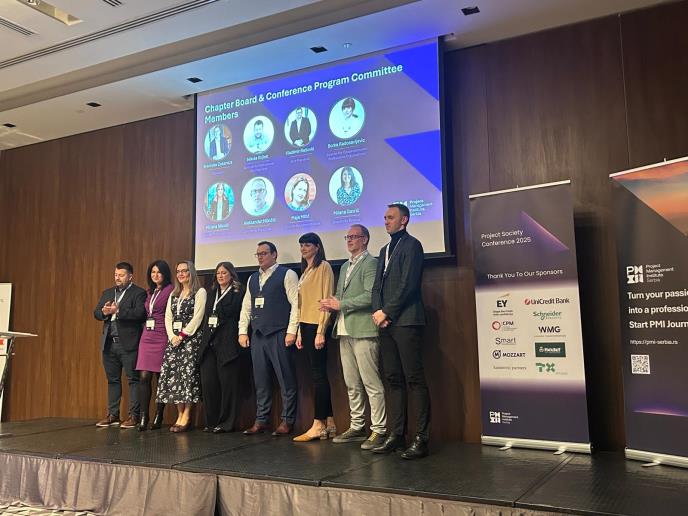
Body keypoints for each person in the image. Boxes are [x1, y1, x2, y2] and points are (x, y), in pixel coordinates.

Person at [371, 203, 430, 459]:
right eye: (385, 217)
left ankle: (421, 439)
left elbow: (408, 285)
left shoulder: (412, 245)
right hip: (386, 324)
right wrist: (378, 312)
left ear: (404, 220)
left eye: (391, 217)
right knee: (393, 379)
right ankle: (396, 435)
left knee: (414, 379)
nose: (386, 221)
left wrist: (387, 311)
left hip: (406, 321)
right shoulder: (384, 250)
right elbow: (376, 287)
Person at [320, 224, 387, 449]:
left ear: (365, 239)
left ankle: (379, 429)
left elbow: (370, 296)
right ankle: (357, 426)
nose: (349, 240)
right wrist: (330, 303)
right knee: (351, 383)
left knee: (371, 382)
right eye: (347, 237)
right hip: (344, 329)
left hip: (364, 329)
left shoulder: (371, 263)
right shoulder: (345, 265)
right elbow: (340, 297)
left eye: (354, 237)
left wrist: (341, 304)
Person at [239, 241, 299, 436]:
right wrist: (242, 331)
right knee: (261, 381)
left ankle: (288, 420)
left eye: (264, 253)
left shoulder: (287, 274)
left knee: (286, 379)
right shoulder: (252, 278)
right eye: (258, 254)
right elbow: (246, 307)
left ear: (274, 254)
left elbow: (296, 304)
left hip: (279, 333)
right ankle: (261, 420)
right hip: (258, 335)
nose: (260, 257)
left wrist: (292, 330)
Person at [292, 233, 336, 442]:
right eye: (301, 245)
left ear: (317, 247)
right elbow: (303, 304)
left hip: (317, 325)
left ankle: (318, 423)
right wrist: (300, 331)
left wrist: (321, 330)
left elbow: (326, 300)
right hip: (306, 325)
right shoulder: (305, 271)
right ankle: (330, 422)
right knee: (317, 374)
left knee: (319, 375)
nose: (303, 248)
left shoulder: (323, 267)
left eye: (307, 244)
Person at [93, 262, 147, 428]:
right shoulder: (108, 292)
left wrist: (118, 311)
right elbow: (96, 313)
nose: (117, 278)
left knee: (133, 380)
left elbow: (140, 314)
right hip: (109, 343)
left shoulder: (138, 293)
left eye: (121, 275)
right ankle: (113, 415)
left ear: (130, 276)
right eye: (116, 275)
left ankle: (134, 416)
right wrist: (103, 312)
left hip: (128, 344)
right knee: (112, 380)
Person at [157, 261, 207, 433]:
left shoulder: (199, 292)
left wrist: (183, 335)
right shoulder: (174, 293)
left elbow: (198, 317)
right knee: (175, 378)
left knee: (188, 378)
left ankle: (187, 415)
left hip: (190, 340)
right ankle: (179, 414)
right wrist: (172, 336)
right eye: (178, 271)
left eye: (184, 271)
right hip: (174, 341)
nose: (181, 274)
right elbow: (168, 317)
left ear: (191, 272)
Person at [199, 262, 245, 433]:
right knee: (209, 383)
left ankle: (226, 423)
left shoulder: (239, 292)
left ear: (231, 275)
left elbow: (236, 313)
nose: (220, 276)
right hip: (209, 343)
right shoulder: (211, 293)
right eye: (218, 273)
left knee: (228, 385)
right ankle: (211, 422)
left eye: (224, 273)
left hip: (228, 343)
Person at [135, 260, 174, 431]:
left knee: (160, 377)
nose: (155, 275)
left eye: (158, 272)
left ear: (165, 274)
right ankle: (144, 416)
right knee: (144, 376)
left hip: (162, 334)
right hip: (147, 335)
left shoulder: (171, 290)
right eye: (153, 272)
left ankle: (159, 414)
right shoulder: (149, 292)